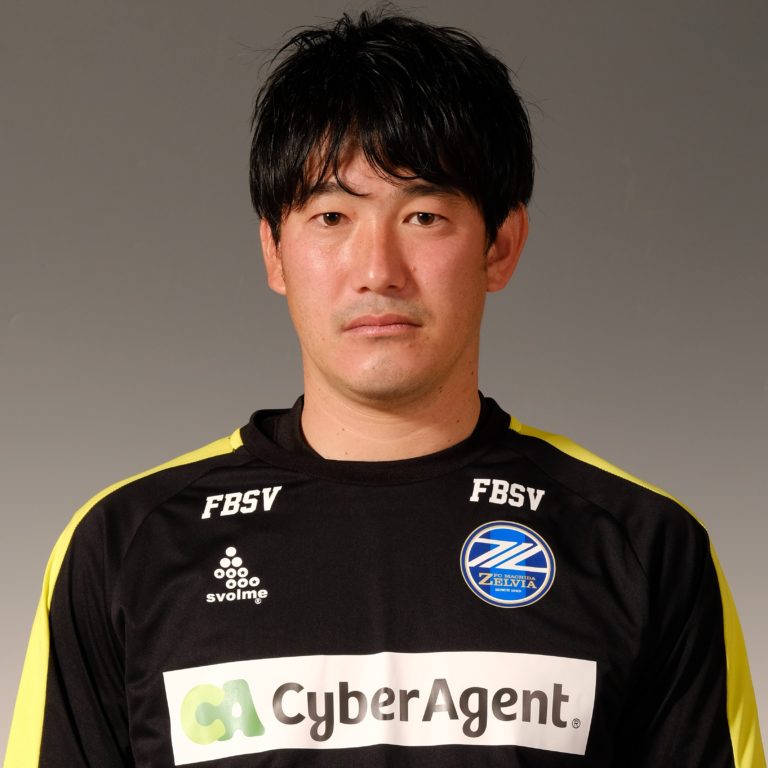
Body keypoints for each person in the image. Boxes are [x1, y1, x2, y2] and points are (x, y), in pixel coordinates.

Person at [4, 9, 765, 768]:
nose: (378, 271)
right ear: (274, 251)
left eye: (424, 215)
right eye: (332, 215)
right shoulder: (124, 546)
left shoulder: (643, 546)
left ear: (500, 246)